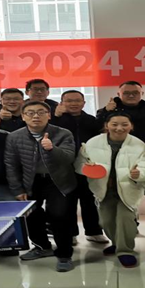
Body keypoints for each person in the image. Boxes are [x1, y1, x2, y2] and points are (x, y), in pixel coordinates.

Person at [4, 101, 78, 272]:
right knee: (32, 215)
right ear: (23, 116)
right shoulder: (14, 137)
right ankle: (42, 247)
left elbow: (69, 158)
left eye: (40, 112)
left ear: (49, 115)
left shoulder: (63, 133)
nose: (35, 116)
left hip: (59, 181)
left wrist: (52, 149)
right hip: (30, 181)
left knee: (60, 216)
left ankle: (64, 254)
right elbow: (11, 164)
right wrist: (17, 189)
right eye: (30, 113)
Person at [96, 81, 145, 242]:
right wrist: (105, 112)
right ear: (119, 94)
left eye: (135, 92)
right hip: (118, 160)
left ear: (142, 94)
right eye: (126, 92)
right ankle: (130, 226)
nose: (131, 95)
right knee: (124, 195)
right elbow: (97, 129)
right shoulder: (109, 110)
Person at [77, 112, 145, 268]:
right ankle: (117, 243)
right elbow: (80, 163)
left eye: (124, 124)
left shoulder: (139, 145)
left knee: (125, 219)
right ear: (107, 126)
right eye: (114, 124)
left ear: (131, 126)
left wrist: (139, 174)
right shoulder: (93, 143)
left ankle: (125, 251)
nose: (119, 128)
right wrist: (87, 168)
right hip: (103, 189)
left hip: (128, 188)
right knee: (106, 221)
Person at [51, 90, 109, 243]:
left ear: (84, 103)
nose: (74, 104)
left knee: (89, 199)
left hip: (87, 165)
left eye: (77, 100)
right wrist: (55, 117)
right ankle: (71, 234)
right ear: (61, 103)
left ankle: (94, 231)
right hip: (64, 166)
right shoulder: (55, 120)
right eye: (69, 101)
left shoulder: (91, 120)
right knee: (68, 201)